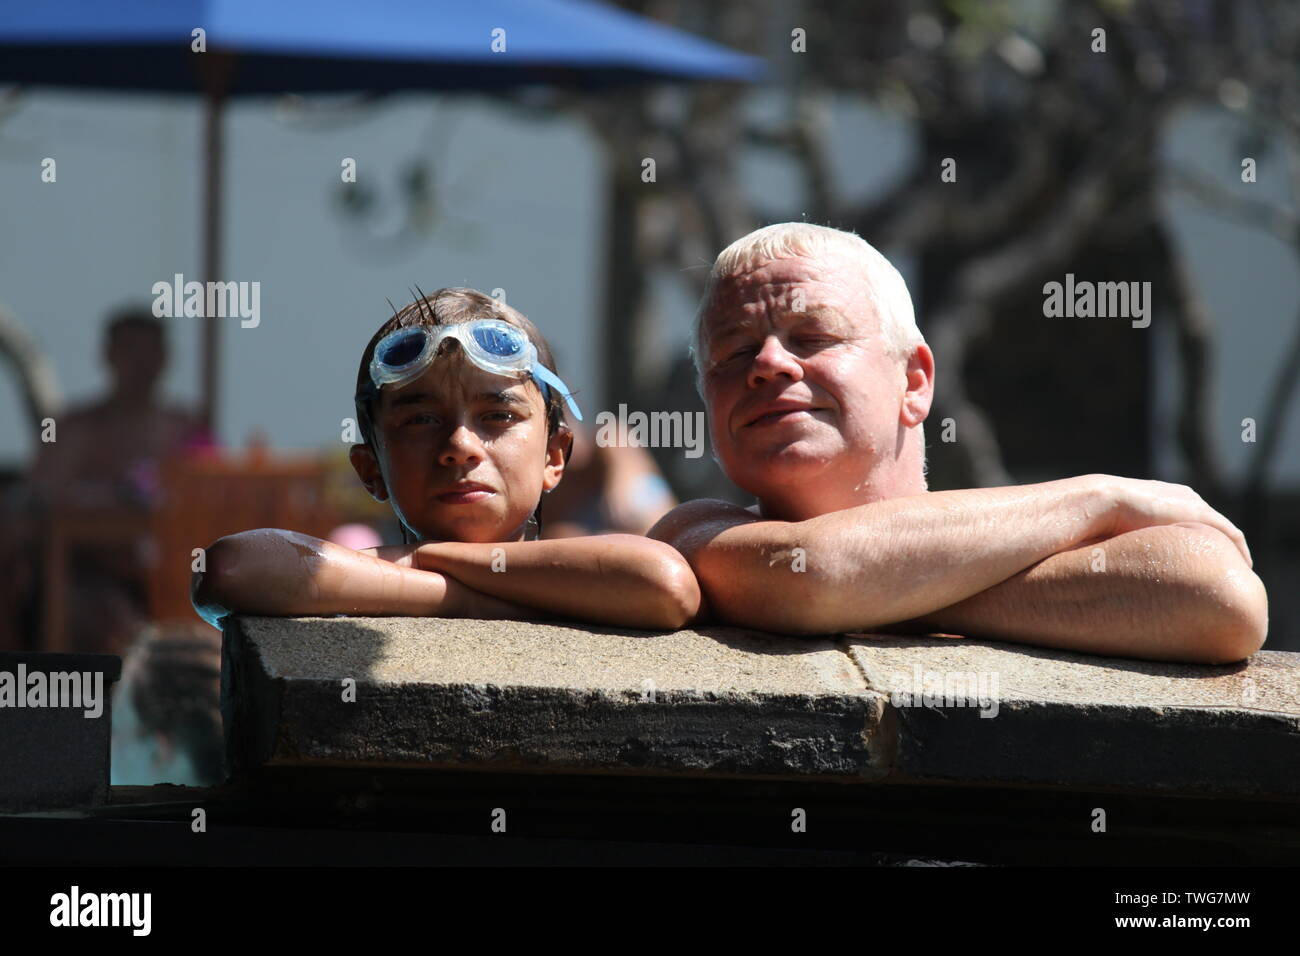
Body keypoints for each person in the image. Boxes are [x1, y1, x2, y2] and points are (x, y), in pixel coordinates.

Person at [648, 222, 1268, 664]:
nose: (769, 364)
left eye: (812, 336)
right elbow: (817, 573)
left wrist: (892, 587)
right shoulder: (694, 537)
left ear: (914, 381)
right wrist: (1098, 495)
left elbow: (1222, 596)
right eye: (733, 352)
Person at [192, 288, 699, 630]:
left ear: (554, 456)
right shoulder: (579, 585)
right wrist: (465, 597)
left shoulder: (371, 574)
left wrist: (418, 566)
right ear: (371, 470)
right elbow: (231, 568)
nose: (460, 443)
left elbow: (664, 581)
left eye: (497, 417)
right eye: (421, 421)